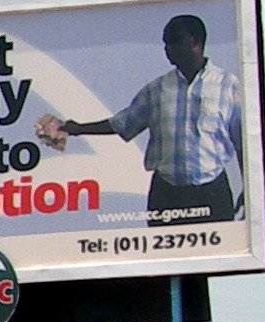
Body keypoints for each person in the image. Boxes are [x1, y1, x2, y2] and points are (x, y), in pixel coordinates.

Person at [61, 15, 242, 226]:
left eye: (174, 40)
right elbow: (123, 122)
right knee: (166, 257)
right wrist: (77, 129)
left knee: (217, 258)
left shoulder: (228, 86)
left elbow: (243, 143)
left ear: (194, 42)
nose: (167, 47)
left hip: (211, 191)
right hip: (167, 193)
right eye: (165, 42)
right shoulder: (158, 90)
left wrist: (250, 192)